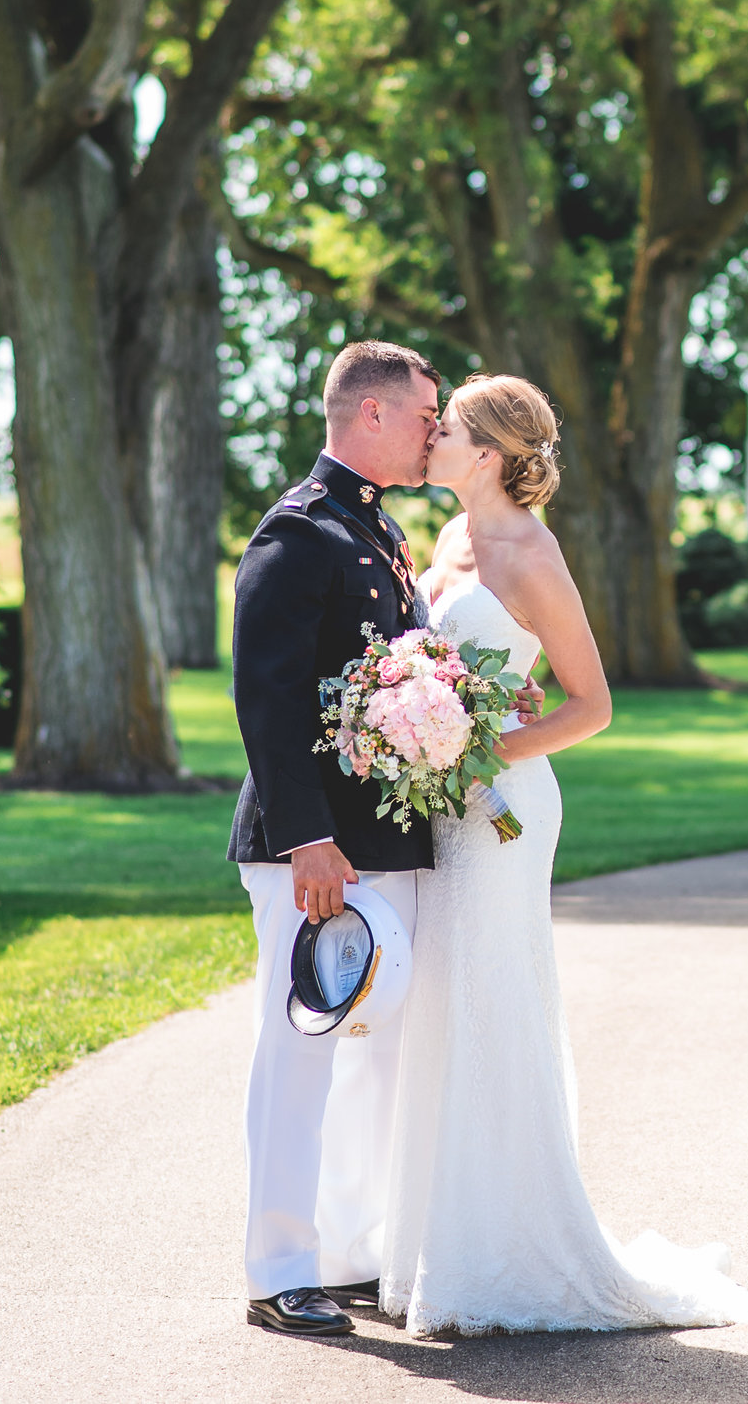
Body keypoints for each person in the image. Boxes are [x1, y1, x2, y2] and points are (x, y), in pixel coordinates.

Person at [376, 373, 748, 1336]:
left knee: (493, 1004)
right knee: (440, 1010)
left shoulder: (531, 557)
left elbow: (591, 704)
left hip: (503, 809)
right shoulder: (451, 541)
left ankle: (509, 1253)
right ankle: (433, 1246)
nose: (430, 436)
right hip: (445, 806)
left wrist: (475, 746)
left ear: (493, 454)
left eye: (448, 427)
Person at [231, 341, 494, 1337]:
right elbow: (265, 697)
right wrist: (305, 840)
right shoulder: (298, 533)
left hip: (381, 835)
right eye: (427, 413)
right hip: (314, 850)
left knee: (374, 1051)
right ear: (374, 415)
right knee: (300, 1049)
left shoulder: (372, 527)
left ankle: (345, 1254)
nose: (435, 429)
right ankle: (277, 1266)